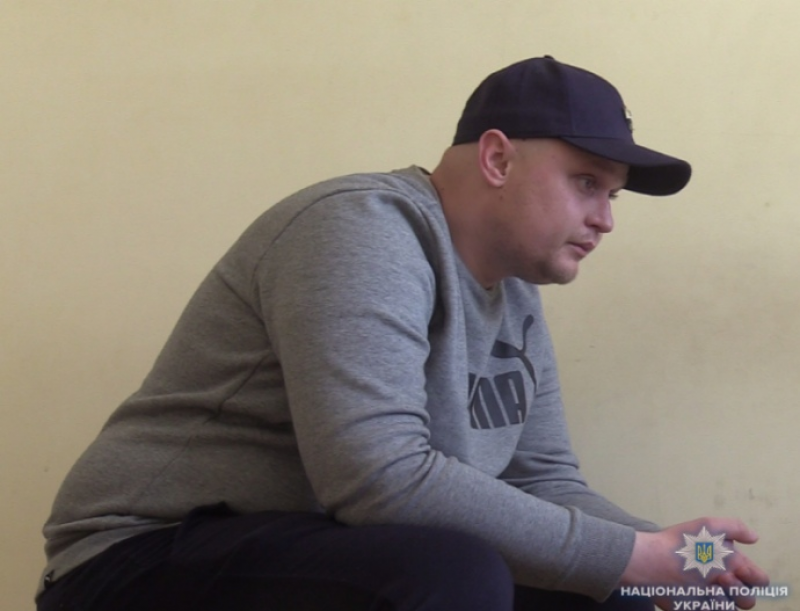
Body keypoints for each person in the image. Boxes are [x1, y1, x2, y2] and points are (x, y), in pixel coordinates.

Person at [36, 56, 769, 611]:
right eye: (586, 182)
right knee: (452, 573)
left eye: (612, 196)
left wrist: (669, 557)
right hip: (135, 556)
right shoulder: (360, 227)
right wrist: (631, 558)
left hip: (322, 549)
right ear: (497, 157)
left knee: (620, 595)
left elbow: (543, 480)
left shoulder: (514, 288)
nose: (605, 219)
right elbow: (377, 478)